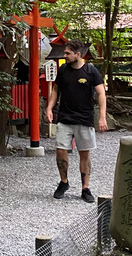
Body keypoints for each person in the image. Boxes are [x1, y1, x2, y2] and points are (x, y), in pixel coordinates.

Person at [46, 39, 108, 203]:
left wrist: (102, 116)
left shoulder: (91, 71)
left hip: (84, 118)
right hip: (65, 117)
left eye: (68, 53)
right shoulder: (63, 70)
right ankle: (64, 182)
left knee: (84, 153)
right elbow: (55, 90)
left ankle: (85, 188)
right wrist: (49, 108)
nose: (65, 56)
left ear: (78, 55)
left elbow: (101, 94)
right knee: (60, 149)